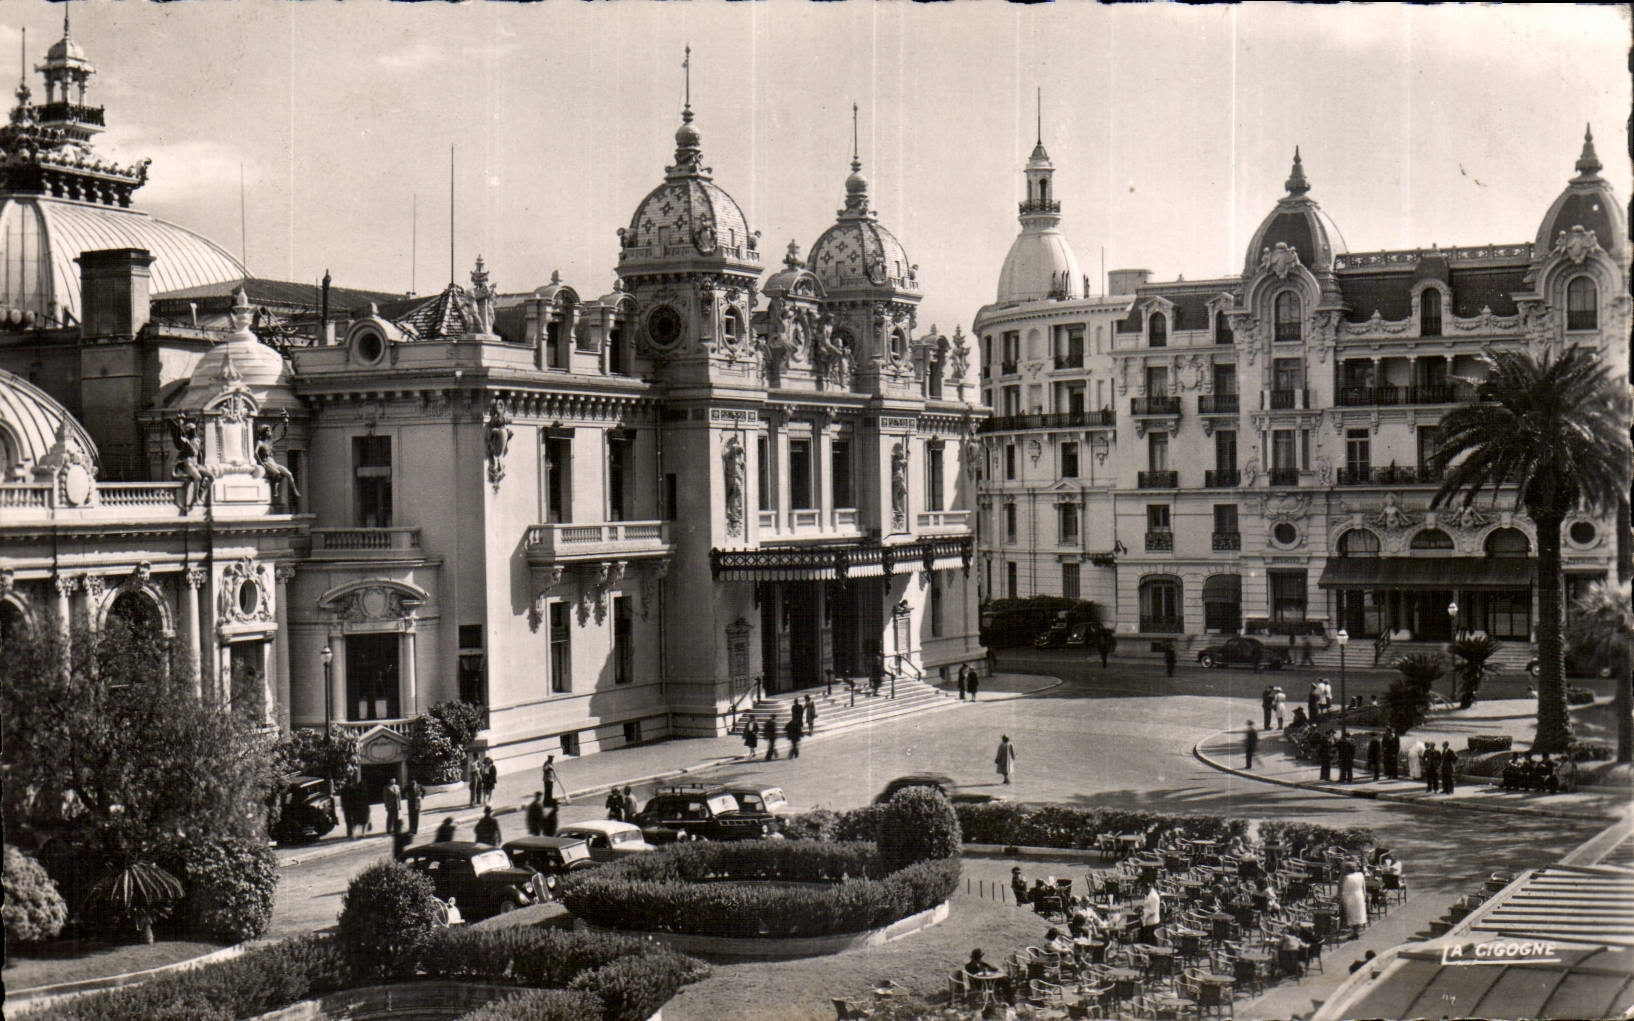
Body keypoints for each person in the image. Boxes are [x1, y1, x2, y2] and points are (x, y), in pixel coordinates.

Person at [1339, 868, 1368, 936]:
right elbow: (1364, 887)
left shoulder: (1346, 878)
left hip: (1350, 896)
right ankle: (1356, 931)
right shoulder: (1360, 875)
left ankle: (1352, 931)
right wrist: (1364, 895)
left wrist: (1340, 897)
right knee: (1358, 914)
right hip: (1359, 895)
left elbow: (1342, 888)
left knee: (1351, 914)